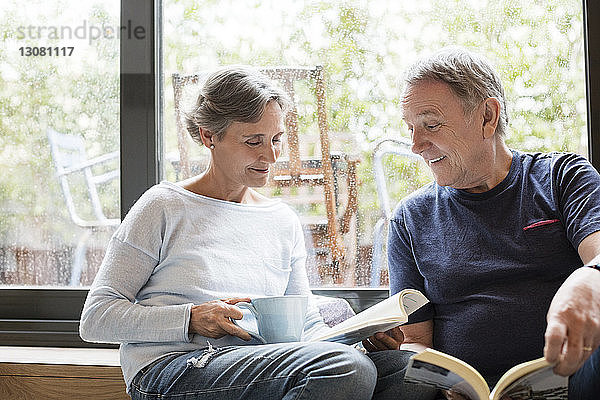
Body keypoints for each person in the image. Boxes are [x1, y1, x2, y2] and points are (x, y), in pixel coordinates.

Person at [79, 65, 406, 400]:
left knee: (410, 371)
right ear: (209, 136)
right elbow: (96, 318)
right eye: (253, 141)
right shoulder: (164, 206)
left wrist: (358, 339)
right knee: (347, 369)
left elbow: (305, 321)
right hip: (175, 368)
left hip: (259, 366)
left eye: (276, 139)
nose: (271, 155)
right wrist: (191, 318)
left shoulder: (282, 219)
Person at [362, 47, 600, 399]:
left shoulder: (562, 178)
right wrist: (440, 380)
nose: (416, 145)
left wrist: (590, 277)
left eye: (430, 124)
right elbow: (415, 341)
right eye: (410, 128)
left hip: (573, 382)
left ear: (488, 117)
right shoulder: (410, 219)